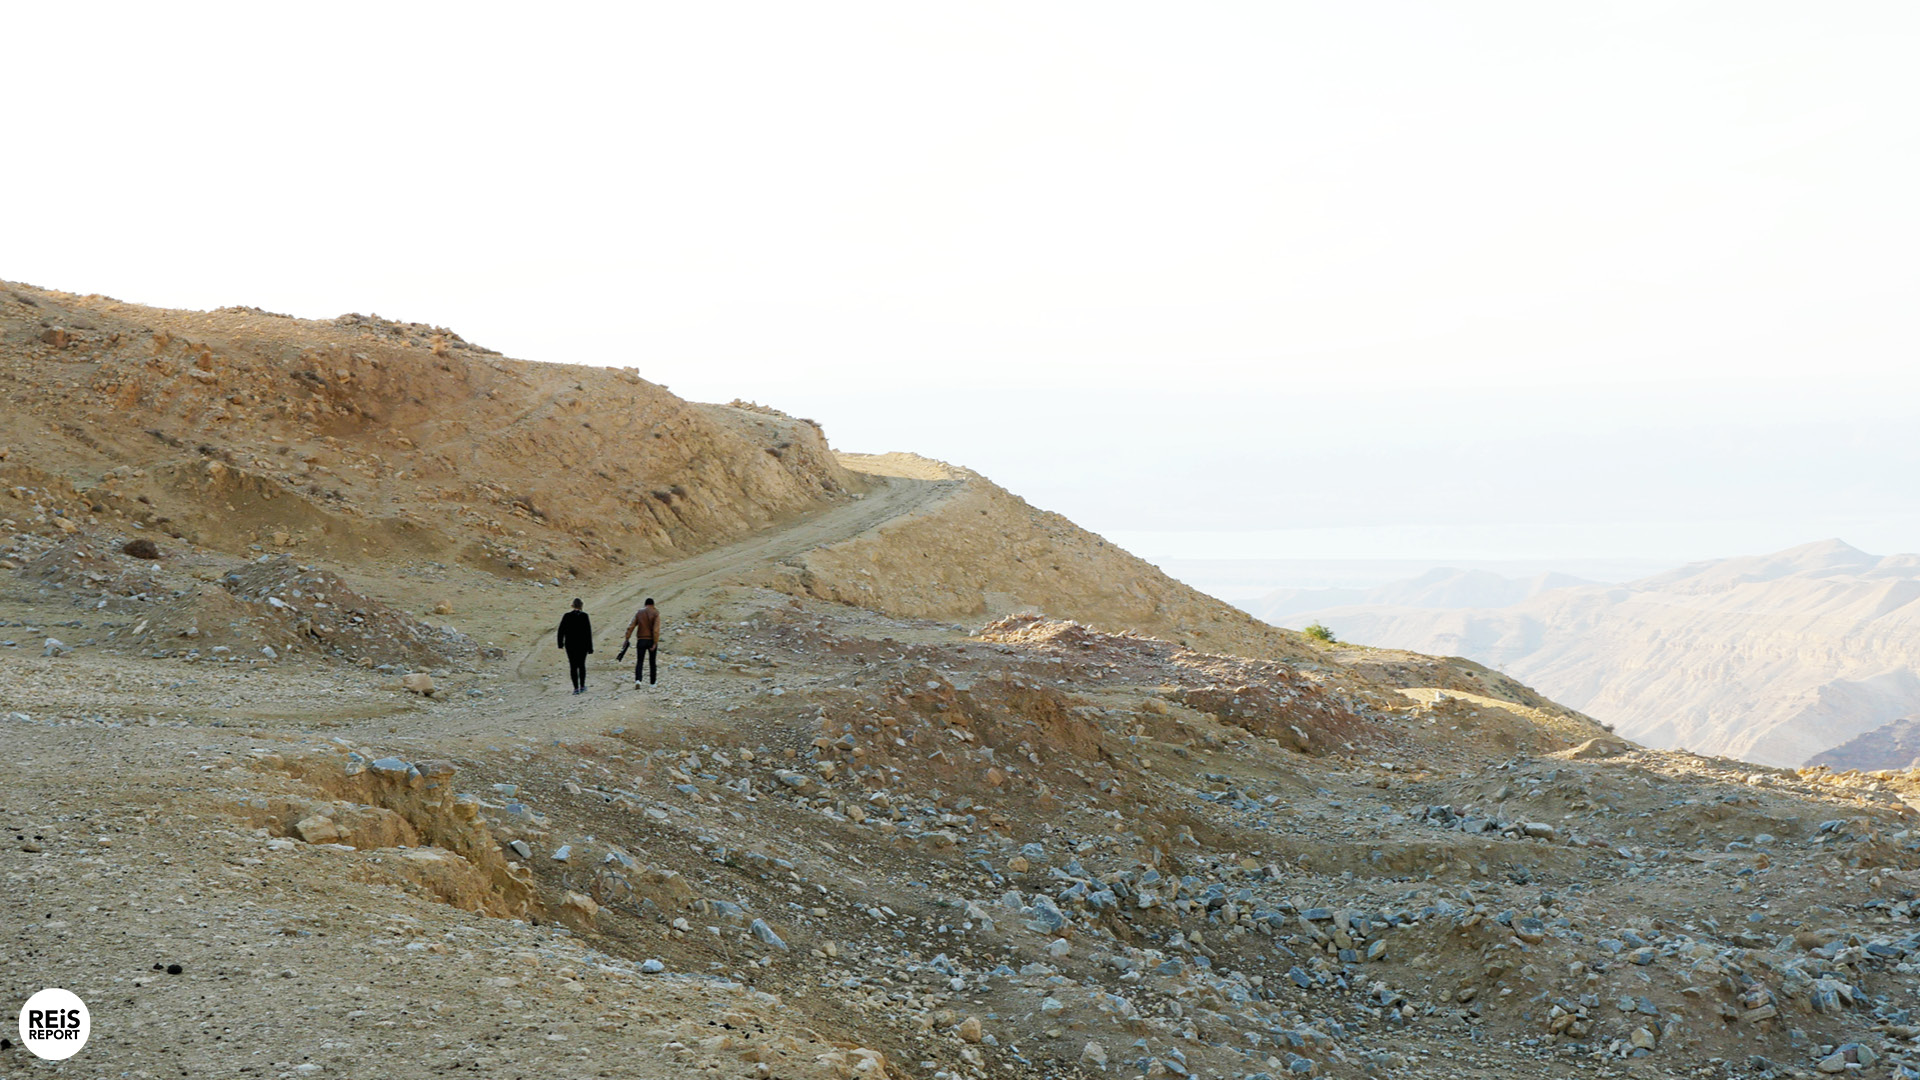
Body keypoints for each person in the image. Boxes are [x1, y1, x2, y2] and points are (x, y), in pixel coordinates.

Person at [557, 598, 593, 694]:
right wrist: (590, 647)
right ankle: (582, 686)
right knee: (581, 665)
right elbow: (588, 632)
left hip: (570, 645)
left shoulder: (567, 616)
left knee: (573, 666)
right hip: (583, 645)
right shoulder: (584, 616)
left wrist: (560, 643)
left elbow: (561, 630)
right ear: (581, 606)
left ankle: (575, 688)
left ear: (572, 605)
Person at [623, 597, 660, 687]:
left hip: (641, 640)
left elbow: (631, 626)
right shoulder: (655, 613)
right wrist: (655, 642)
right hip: (651, 640)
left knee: (640, 661)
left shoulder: (639, 612)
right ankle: (652, 683)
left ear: (645, 604)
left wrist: (627, 638)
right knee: (652, 662)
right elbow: (656, 630)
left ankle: (638, 680)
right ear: (653, 604)